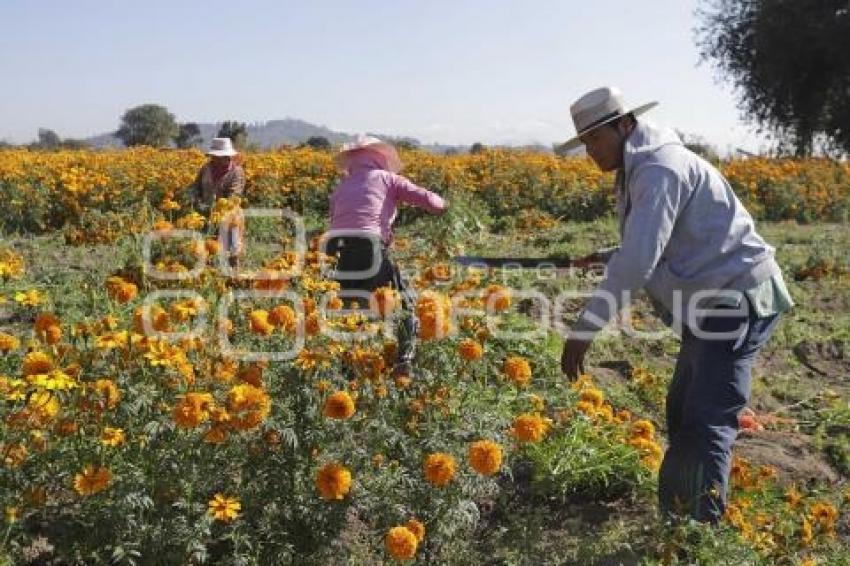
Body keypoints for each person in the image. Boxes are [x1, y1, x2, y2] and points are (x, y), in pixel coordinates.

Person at [558, 87, 793, 523]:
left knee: (704, 421)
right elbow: (661, 239)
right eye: (584, 142)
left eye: (595, 139)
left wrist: (584, 330)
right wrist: (613, 252)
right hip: (713, 301)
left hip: (736, 298)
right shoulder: (640, 166)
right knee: (683, 409)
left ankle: (694, 535)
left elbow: (639, 262)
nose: (590, 151)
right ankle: (683, 519)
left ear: (624, 124)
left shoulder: (659, 168)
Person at [326, 135, 448, 377]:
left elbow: (333, 221)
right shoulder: (388, 179)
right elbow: (431, 202)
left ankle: (346, 366)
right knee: (404, 303)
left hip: (338, 251)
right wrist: (443, 205)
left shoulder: (340, 188)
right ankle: (404, 360)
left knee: (349, 307)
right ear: (381, 158)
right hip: (371, 247)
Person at [189, 137, 246, 269]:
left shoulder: (236, 172)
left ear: (228, 156)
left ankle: (233, 276)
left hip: (230, 216)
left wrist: (219, 210)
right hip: (204, 213)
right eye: (215, 156)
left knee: (231, 250)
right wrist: (193, 198)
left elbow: (234, 196)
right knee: (206, 249)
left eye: (223, 156)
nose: (217, 159)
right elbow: (194, 186)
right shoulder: (206, 168)